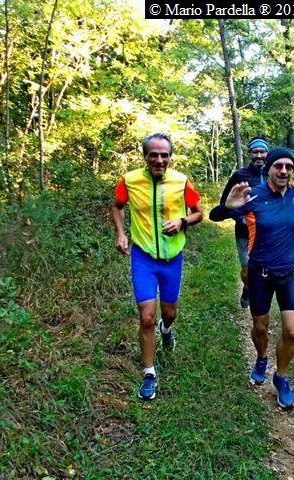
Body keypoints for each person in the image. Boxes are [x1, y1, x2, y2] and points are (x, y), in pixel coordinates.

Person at [209, 147, 294, 410]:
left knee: (292, 330)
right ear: (268, 168)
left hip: (289, 273)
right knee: (260, 327)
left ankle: (281, 377)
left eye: (289, 167)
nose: (284, 171)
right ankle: (260, 357)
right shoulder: (253, 196)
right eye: (278, 166)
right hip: (260, 273)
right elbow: (215, 216)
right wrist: (228, 206)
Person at [112, 133, 203, 400]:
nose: (159, 160)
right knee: (146, 317)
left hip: (172, 259)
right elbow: (117, 207)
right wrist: (121, 233)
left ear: (170, 157)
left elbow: (200, 212)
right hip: (143, 257)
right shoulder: (130, 180)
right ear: (145, 156)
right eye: (154, 154)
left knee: (169, 313)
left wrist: (182, 222)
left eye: (164, 155)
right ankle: (149, 373)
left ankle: (167, 329)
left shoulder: (180, 181)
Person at [218, 137, 270, 308]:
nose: (259, 155)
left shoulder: (272, 173)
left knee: (264, 268)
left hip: (266, 233)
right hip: (244, 231)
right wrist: (239, 217)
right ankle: (247, 288)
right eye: (255, 152)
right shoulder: (240, 175)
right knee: (247, 270)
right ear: (250, 154)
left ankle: (260, 299)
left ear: (267, 153)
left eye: (262, 152)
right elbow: (225, 203)